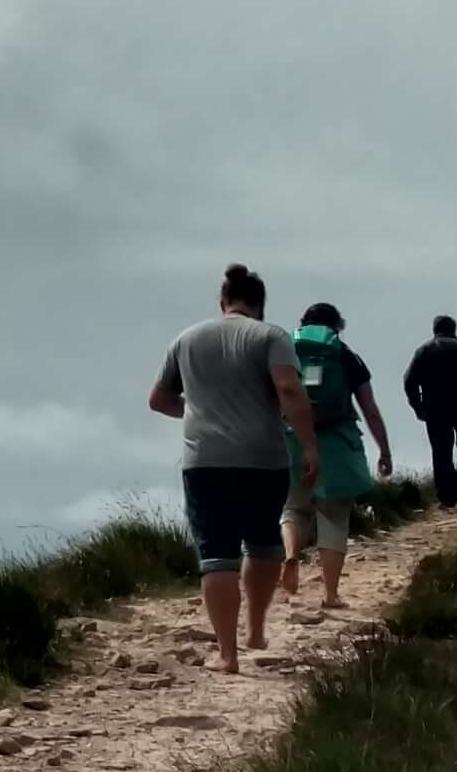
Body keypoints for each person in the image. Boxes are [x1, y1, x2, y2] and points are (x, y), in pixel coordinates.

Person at [150, 262, 320, 673]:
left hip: (204, 459)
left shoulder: (186, 339)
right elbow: (288, 388)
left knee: (216, 552)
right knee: (263, 541)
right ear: (259, 305)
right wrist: (310, 444)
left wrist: (197, 411)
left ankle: (227, 654)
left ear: (222, 301)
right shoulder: (271, 336)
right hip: (264, 457)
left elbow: (159, 399)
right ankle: (256, 629)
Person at [289, 302, 393, 608]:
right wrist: (384, 450)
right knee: (333, 516)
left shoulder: (285, 351)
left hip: (291, 437)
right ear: (338, 326)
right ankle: (331, 594)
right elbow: (370, 410)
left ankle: (291, 555)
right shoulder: (346, 356)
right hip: (336, 439)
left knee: (293, 508)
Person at [401, 315, 457, 503]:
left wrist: (418, 406)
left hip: (435, 407)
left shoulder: (424, 350)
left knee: (441, 449)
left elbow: (409, 380)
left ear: (434, 329)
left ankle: (447, 495)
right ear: (454, 329)